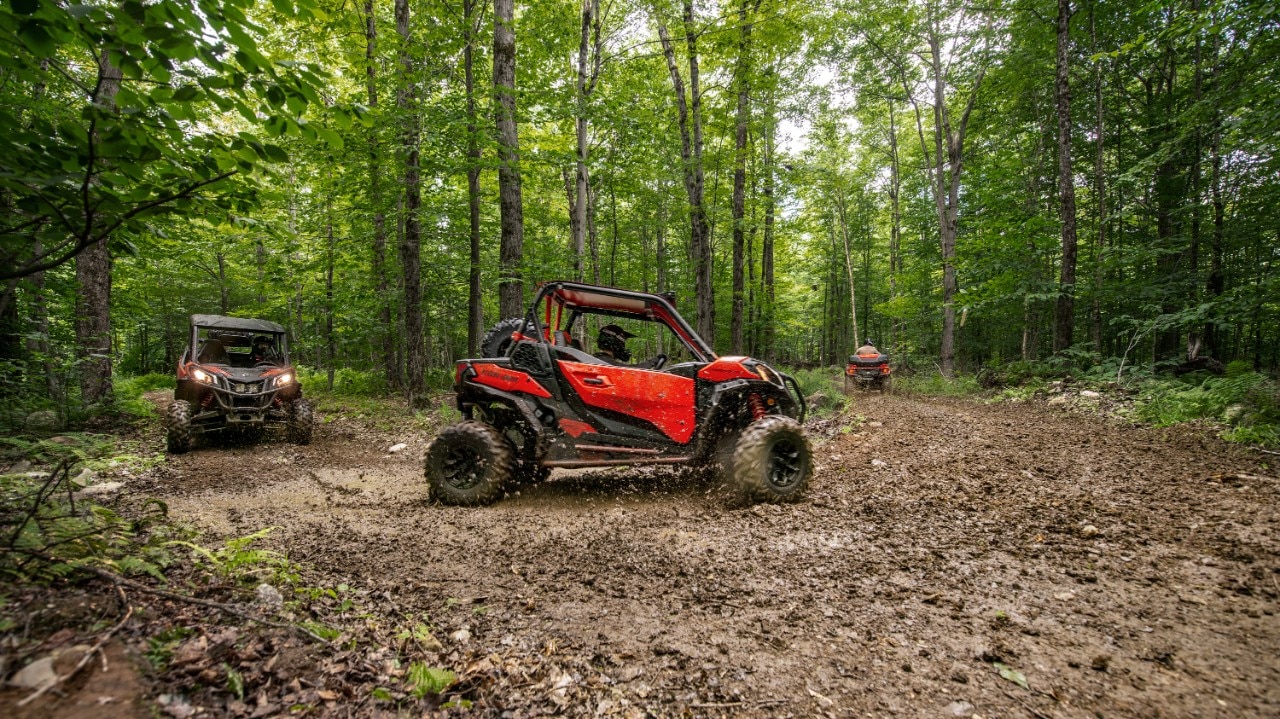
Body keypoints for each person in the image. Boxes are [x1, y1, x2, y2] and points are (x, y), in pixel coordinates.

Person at [594, 324, 664, 369]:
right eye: (623, 342)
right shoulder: (603, 361)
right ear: (616, 342)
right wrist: (652, 361)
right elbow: (631, 370)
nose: (623, 346)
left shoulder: (599, 359)